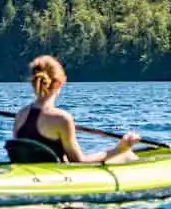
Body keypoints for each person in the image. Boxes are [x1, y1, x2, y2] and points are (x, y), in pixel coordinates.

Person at [12, 55, 141, 163]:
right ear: (59, 83)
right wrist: (120, 148)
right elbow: (79, 162)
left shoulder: (20, 115)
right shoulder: (61, 119)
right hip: (58, 178)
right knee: (127, 156)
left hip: (35, 173)